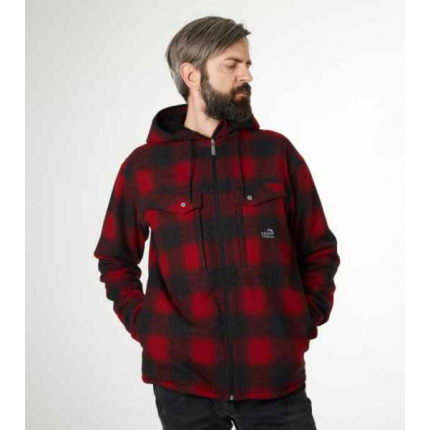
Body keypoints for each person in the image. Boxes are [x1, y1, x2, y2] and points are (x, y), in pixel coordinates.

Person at [93, 15, 340, 430]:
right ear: (192, 74)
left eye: (248, 64)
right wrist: (149, 326)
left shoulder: (276, 154)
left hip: (274, 378)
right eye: (232, 65)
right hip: (182, 385)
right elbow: (114, 259)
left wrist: (300, 321)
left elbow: (318, 249)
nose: (247, 75)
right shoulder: (144, 167)